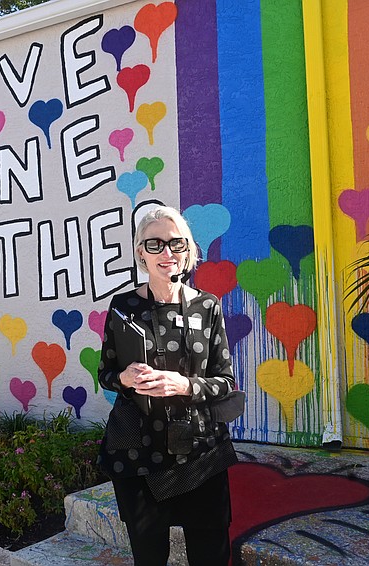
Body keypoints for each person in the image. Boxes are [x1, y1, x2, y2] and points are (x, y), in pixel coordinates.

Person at [98, 205, 238, 565]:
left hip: (198, 449)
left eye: (176, 244)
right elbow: (106, 373)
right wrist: (124, 379)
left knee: (210, 552)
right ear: (140, 251)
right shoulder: (122, 307)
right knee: (149, 555)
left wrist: (184, 385)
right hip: (138, 449)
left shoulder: (208, 306)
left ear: (188, 250)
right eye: (155, 244)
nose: (166, 253)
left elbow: (225, 382)